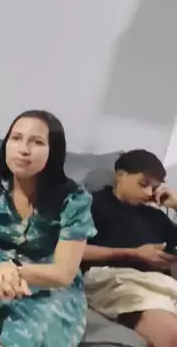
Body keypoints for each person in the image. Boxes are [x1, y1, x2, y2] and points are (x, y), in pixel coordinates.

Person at [0, 110, 97, 347]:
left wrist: (16, 272)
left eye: (37, 142)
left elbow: (64, 272)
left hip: (45, 276)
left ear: (54, 151)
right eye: (16, 138)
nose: (23, 149)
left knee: (31, 335)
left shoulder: (74, 200)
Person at [81, 149, 177, 347]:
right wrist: (135, 253)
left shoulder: (156, 216)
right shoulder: (90, 204)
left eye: (154, 188)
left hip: (161, 283)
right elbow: (70, 250)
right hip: (116, 280)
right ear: (121, 175)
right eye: (143, 184)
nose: (149, 193)